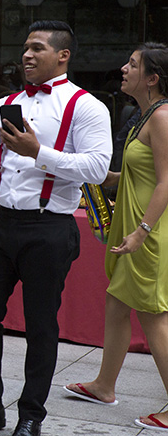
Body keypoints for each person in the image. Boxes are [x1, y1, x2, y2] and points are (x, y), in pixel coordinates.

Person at [0, 20, 111, 436]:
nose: (27, 55)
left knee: (40, 325)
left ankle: (31, 414)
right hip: (0, 222)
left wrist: (39, 152)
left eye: (37, 48)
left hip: (48, 227)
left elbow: (97, 168)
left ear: (63, 55)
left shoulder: (87, 106)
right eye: (25, 49)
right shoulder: (8, 102)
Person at [63, 43, 168, 432]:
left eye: (133, 65)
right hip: (136, 228)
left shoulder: (162, 117)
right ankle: (104, 386)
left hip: (148, 232)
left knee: (153, 316)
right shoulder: (147, 115)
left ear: (152, 78)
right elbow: (146, 173)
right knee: (117, 303)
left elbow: (166, 182)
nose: (124, 68)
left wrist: (142, 232)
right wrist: (112, 178)